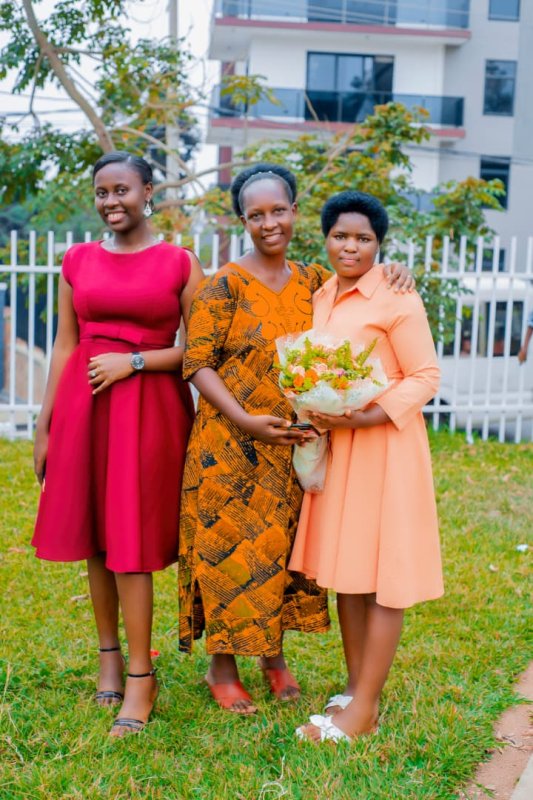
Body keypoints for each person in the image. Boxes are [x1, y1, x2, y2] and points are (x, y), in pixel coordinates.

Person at [178, 164, 414, 714]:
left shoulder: (314, 281)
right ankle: (222, 666)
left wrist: (395, 269)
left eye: (278, 211)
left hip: (292, 447)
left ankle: (273, 657)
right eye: (256, 215)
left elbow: (363, 288)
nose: (269, 224)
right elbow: (197, 363)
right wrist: (244, 419)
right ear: (242, 221)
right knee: (228, 555)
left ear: (295, 212)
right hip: (229, 444)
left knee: (281, 554)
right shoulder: (223, 285)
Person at [32, 151, 203, 737]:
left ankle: (140, 676)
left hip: (149, 409)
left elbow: (199, 349)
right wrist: (46, 424)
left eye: (122, 189)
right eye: (102, 191)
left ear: (148, 191)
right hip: (85, 406)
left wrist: (134, 362)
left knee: (130, 539)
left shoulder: (179, 262)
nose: (111, 201)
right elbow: (65, 344)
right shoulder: (76, 260)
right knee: (95, 534)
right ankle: (109, 657)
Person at [290, 191, 443, 743]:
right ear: (325, 239)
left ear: (380, 245)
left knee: (381, 578)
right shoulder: (322, 293)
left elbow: (425, 375)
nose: (350, 246)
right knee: (348, 571)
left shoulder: (397, 295)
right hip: (340, 446)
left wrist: (367, 415)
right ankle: (356, 690)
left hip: (384, 446)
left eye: (364, 238)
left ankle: (364, 712)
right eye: (340, 236)